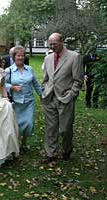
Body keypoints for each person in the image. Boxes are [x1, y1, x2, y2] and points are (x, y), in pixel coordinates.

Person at [41, 33, 83, 163]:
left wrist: (71, 95)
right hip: (49, 97)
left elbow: (78, 80)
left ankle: (66, 151)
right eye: (50, 44)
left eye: (54, 44)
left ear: (62, 42)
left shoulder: (74, 57)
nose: (52, 47)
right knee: (50, 128)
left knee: (65, 129)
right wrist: (44, 90)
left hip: (65, 98)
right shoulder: (48, 59)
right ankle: (50, 154)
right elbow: (46, 79)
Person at [5, 46, 42, 154]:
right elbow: (3, 84)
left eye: (22, 55)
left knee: (28, 124)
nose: (20, 58)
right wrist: (12, 87)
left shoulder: (29, 69)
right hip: (16, 102)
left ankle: (24, 143)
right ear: (14, 57)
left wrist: (41, 95)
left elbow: (35, 83)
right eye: (18, 55)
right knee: (17, 125)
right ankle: (16, 144)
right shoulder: (9, 70)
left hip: (29, 101)